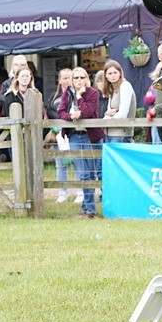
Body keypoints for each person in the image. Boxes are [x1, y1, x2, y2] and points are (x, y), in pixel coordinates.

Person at [59, 66, 104, 218]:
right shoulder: (67, 93)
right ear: (72, 80)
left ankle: (88, 208)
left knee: (92, 173)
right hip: (74, 136)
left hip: (91, 137)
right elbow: (61, 112)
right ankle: (89, 209)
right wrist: (70, 117)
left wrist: (79, 96)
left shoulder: (93, 93)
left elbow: (87, 112)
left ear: (86, 79)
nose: (79, 80)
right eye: (76, 78)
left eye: (82, 77)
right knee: (84, 174)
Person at [46, 68, 75, 203]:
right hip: (58, 134)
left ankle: (80, 192)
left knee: (76, 163)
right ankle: (62, 192)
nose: (67, 80)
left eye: (70, 77)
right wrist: (60, 117)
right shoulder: (54, 96)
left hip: (72, 133)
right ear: (59, 80)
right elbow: (49, 110)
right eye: (65, 78)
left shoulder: (76, 95)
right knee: (60, 165)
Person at [100, 59, 136, 144]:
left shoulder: (125, 86)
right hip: (109, 132)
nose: (113, 76)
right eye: (110, 73)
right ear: (105, 76)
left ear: (120, 73)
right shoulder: (111, 88)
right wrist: (111, 114)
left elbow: (123, 114)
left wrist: (114, 113)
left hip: (122, 133)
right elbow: (108, 113)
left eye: (115, 73)